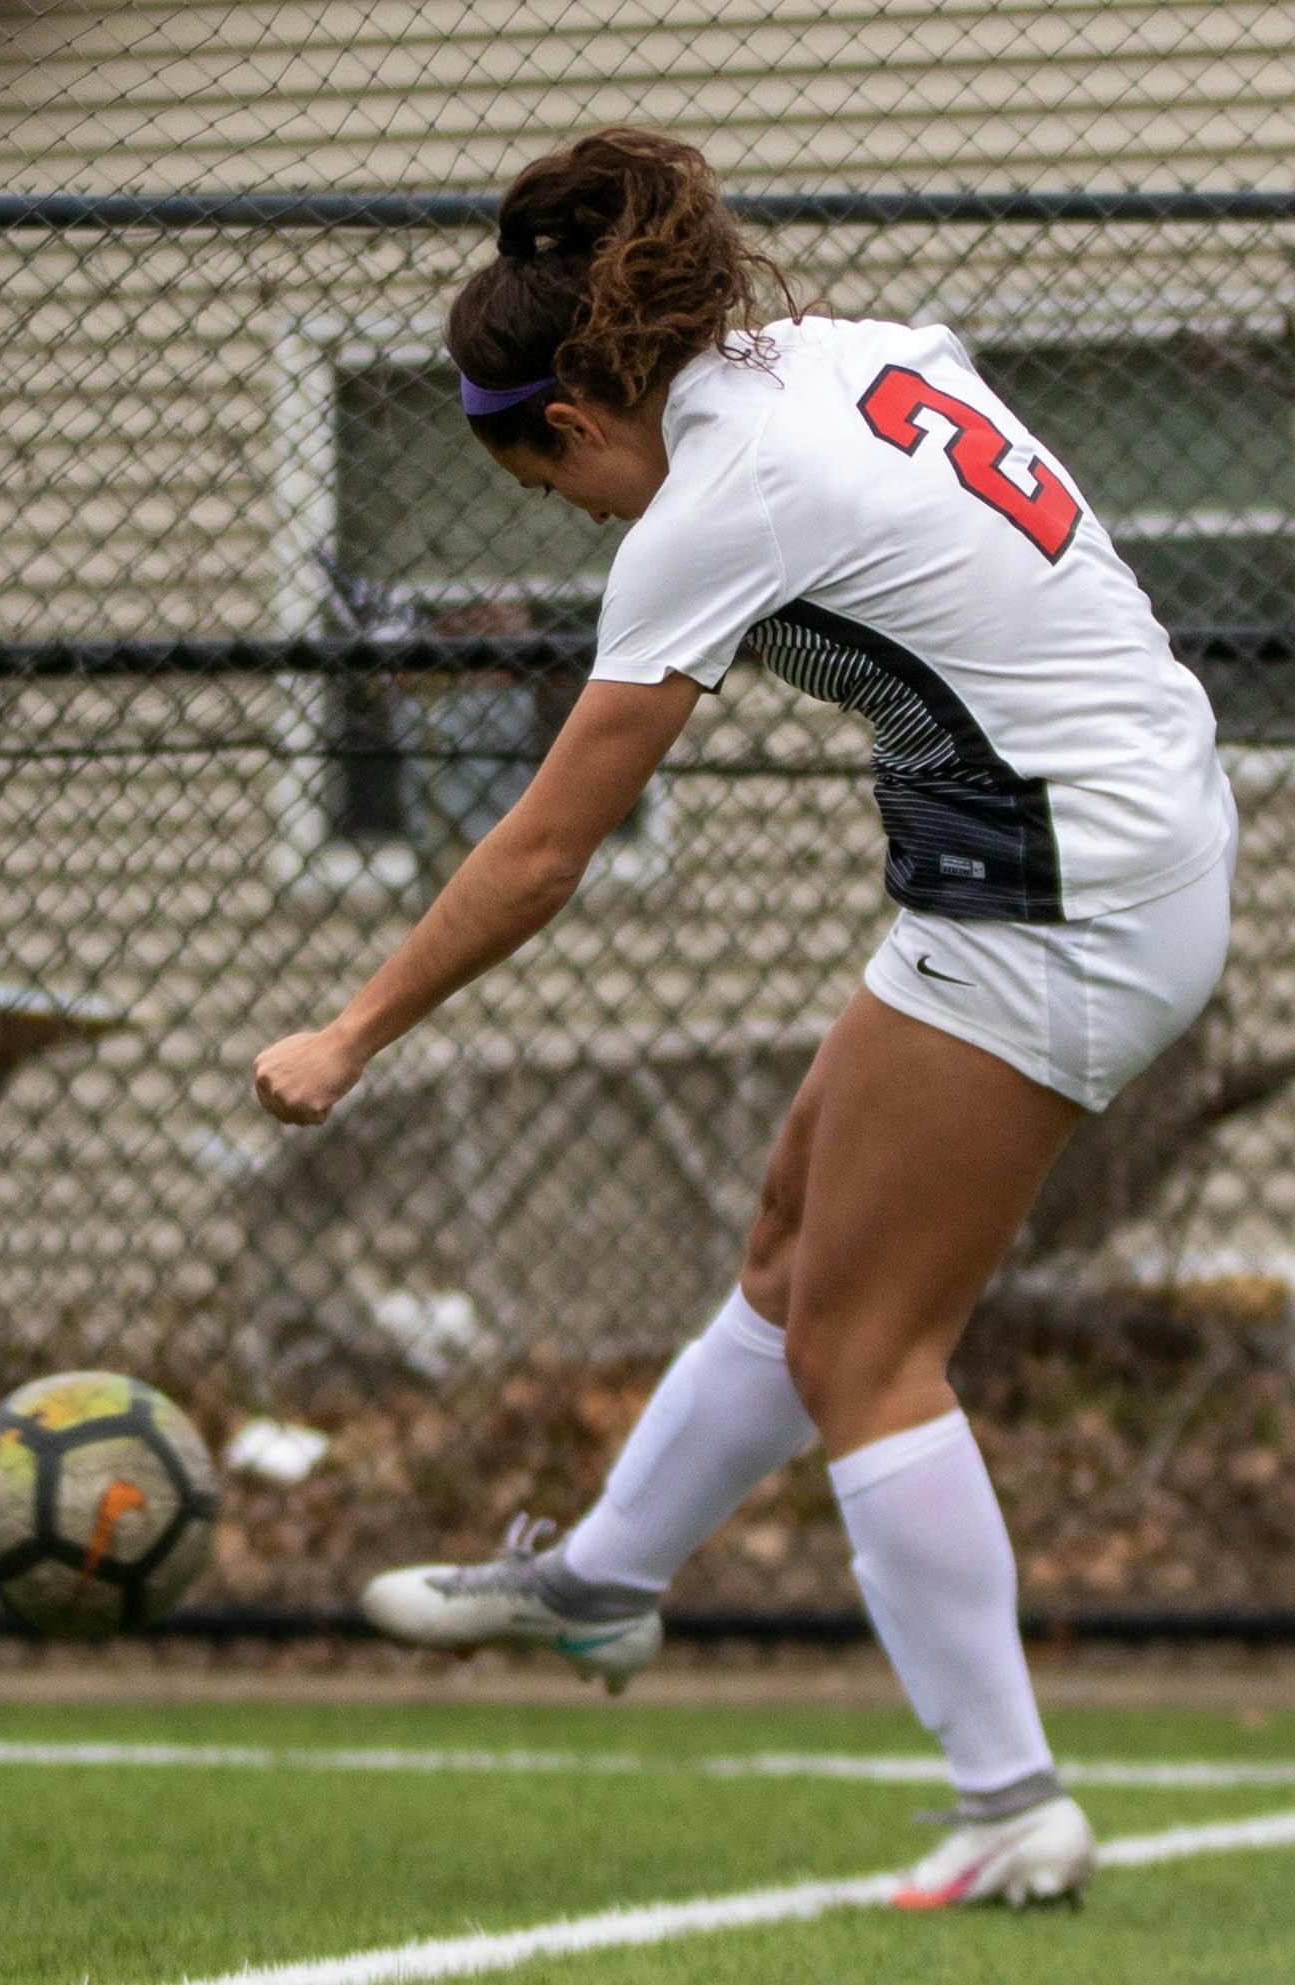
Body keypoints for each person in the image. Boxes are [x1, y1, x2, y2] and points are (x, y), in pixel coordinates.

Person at [253, 127, 1236, 1909]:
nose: (580, 519)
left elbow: (550, 850)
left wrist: (351, 1030)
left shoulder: (720, 499)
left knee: (865, 1352)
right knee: (794, 1240)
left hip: (1061, 883)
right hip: (1089, 838)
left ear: (571, 421)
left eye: (553, 491)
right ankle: (611, 1575)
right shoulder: (850, 354)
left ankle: (1011, 1799)